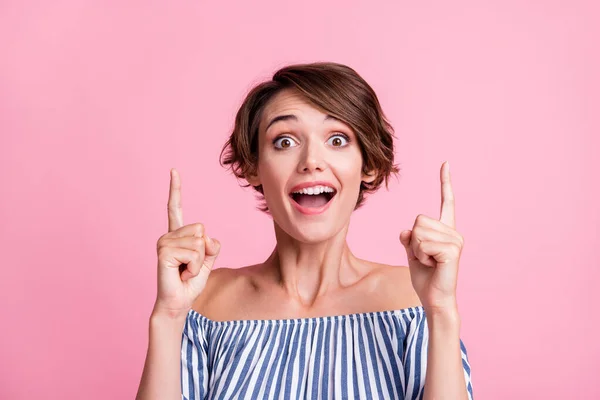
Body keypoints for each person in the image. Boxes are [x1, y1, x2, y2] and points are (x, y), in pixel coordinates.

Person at [136, 62, 474, 400]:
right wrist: (168, 316)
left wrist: (442, 310)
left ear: (368, 164)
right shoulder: (203, 304)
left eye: (338, 139)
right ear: (254, 166)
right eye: (284, 141)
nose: (312, 160)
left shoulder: (416, 304)